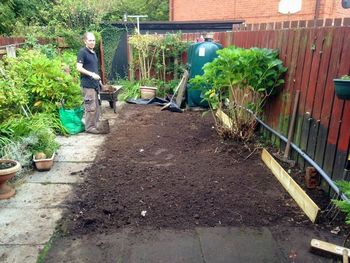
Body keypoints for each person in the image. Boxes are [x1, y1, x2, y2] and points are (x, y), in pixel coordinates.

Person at [76, 32, 102, 134]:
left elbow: (93, 68)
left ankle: (95, 125)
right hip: (87, 85)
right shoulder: (82, 52)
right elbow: (78, 68)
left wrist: (98, 79)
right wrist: (91, 74)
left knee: (96, 107)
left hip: (95, 85)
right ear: (85, 41)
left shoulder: (93, 53)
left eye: (93, 40)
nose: (92, 42)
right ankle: (89, 128)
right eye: (90, 40)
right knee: (90, 108)